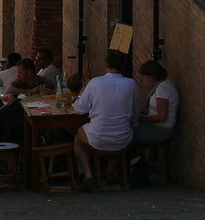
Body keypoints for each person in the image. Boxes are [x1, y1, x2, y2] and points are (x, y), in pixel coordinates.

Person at [73, 49, 139, 191]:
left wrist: (79, 99)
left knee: (78, 142)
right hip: (123, 137)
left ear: (106, 65)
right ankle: (109, 168)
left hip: (98, 137)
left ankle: (88, 175)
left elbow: (80, 109)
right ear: (123, 67)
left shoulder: (95, 82)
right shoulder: (131, 84)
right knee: (119, 136)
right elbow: (134, 115)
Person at [132, 60, 179, 145]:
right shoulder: (164, 84)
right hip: (155, 126)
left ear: (153, 76)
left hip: (160, 129)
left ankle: (134, 157)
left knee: (127, 135)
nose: (147, 80)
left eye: (147, 77)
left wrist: (143, 118)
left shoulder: (163, 90)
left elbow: (161, 117)